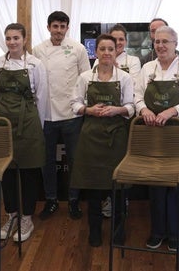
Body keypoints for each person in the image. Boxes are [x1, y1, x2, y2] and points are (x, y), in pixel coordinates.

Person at [135, 26, 179, 252]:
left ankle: (177, 233)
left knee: (177, 185)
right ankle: (157, 232)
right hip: (153, 134)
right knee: (156, 184)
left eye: (166, 41)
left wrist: (172, 111)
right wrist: (144, 109)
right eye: (157, 42)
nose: (161, 46)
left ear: (175, 44)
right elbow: (136, 97)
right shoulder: (147, 68)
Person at [70, 34, 135, 247]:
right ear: (95, 52)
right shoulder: (85, 77)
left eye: (110, 49)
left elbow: (131, 106)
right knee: (94, 188)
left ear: (116, 51)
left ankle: (118, 231)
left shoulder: (124, 78)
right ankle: (95, 231)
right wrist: (89, 110)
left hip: (117, 137)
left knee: (118, 187)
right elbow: (74, 104)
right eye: (102, 49)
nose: (106, 53)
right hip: (91, 136)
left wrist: (117, 110)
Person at [0, 23, 47, 242]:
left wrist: (38, 127)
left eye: (16, 38)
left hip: (29, 121)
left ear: (24, 39)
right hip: (2, 121)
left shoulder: (35, 64)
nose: (12, 42)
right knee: (7, 171)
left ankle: (27, 218)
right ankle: (11, 214)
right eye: (9, 38)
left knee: (29, 171)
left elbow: (41, 97)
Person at [33, 11, 91, 220]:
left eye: (62, 26)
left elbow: (86, 79)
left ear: (67, 28)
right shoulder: (38, 50)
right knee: (46, 160)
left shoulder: (78, 48)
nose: (58, 30)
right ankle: (51, 200)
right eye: (55, 26)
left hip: (72, 113)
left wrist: (83, 108)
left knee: (75, 160)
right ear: (48, 27)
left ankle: (74, 200)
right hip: (46, 114)